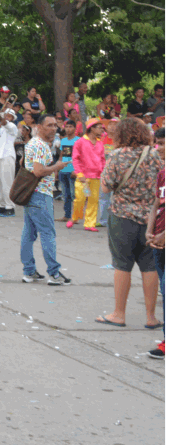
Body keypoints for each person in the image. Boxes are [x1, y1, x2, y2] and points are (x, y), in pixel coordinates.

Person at [94, 118, 163, 329]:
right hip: (151, 218)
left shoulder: (117, 155)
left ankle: (119, 314)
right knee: (150, 266)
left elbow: (105, 188)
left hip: (122, 216)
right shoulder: (156, 155)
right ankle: (151, 317)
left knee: (122, 264)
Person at [20, 115, 71, 286]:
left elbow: (24, 163)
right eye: (49, 125)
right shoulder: (40, 145)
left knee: (29, 233)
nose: (54, 128)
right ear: (39, 127)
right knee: (48, 233)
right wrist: (56, 167)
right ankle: (54, 274)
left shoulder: (33, 144)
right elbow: (38, 171)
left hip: (31, 194)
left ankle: (29, 271)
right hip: (40, 194)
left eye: (55, 125)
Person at [145, 127, 165, 358]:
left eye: (162, 143)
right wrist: (150, 230)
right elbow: (156, 204)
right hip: (159, 240)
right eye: (156, 143)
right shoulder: (162, 173)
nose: (158, 148)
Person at [68, 119, 107, 231]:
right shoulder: (80, 142)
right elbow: (75, 159)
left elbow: (102, 159)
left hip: (96, 176)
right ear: (92, 128)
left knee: (93, 200)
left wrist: (103, 172)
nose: (101, 130)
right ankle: (75, 218)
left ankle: (90, 224)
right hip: (83, 177)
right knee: (79, 199)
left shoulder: (100, 143)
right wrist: (80, 174)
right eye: (99, 127)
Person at [56, 120, 79, 223]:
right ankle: (67, 215)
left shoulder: (78, 141)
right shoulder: (63, 141)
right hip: (63, 170)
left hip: (73, 171)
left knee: (74, 195)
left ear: (75, 128)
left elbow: (81, 157)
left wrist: (77, 170)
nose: (68, 129)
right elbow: (61, 155)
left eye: (71, 126)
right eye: (67, 126)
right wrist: (57, 169)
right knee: (66, 195)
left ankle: (75, 216)